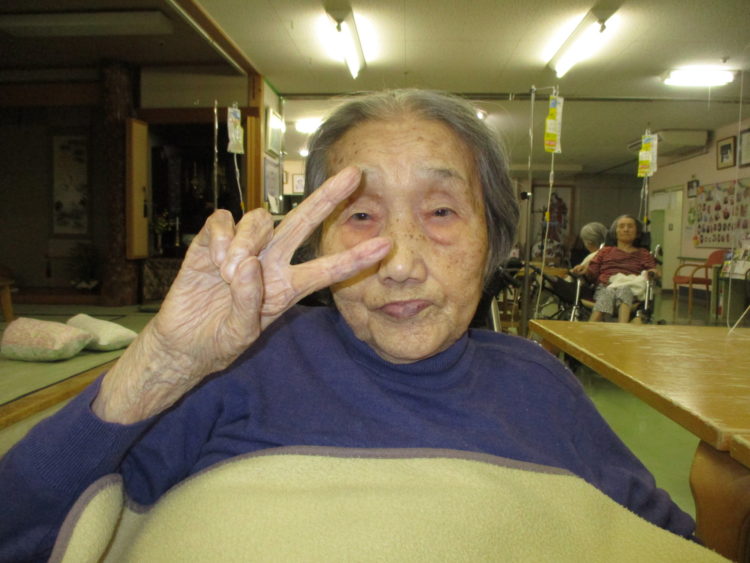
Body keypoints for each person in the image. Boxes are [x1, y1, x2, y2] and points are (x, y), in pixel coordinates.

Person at [0, 90, 692, 560]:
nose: (400, 264)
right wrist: (161, 365)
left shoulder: (541, 384)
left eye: (441, 211)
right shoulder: (234, 369)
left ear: (494, 242)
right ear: (318, 244)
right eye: (361, 215)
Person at [571, 215, 658, 323]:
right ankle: (591, 326)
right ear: (615, 232)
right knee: (608, 292)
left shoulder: (643, 253)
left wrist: (652, 273)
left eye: (630, 226)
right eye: (621, 226)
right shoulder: (605, 251)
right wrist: (584, 270)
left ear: (637, 233)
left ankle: (620, 327)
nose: (626, 229)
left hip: (631, 288)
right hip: (605, 287)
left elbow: (653, 270)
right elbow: (592, 272)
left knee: (624, 289)